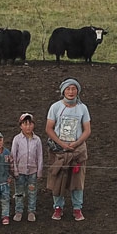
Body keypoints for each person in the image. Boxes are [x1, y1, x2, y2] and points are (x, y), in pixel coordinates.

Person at [45, 78, 91, 221]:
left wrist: (76, 143)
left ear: (77, 91)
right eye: (68, 89)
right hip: (59, 150)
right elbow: (49, 128)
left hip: (77, 150)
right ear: (63, 91)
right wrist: (62, 144)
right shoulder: (55, 107)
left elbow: (87, 130)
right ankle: (58, 208)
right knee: (57, 179)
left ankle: (77, 208)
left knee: (77, 180)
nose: (71, 92)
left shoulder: (83, 108)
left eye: (74, 89)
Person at [11, 112, 43, 222]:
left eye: (30, 124)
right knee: (19, 191)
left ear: (33, 125)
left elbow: (40, 156)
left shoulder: (37, 140)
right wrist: (14, 170)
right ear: (21, 126)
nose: (28, 126)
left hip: (32, 171)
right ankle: (19, 211)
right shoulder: (17, 139)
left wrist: (39, 171)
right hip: (20, 171)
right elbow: (13, 155)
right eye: (25, 124)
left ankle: (31, 211)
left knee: (32, 191)